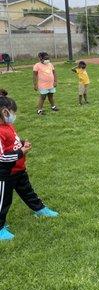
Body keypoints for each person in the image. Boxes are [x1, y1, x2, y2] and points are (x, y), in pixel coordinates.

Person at [0, 95, 59, 241]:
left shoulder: (8, 126)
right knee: (3, 201)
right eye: (13, 112)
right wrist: (21, 152)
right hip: (5, 174)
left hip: (19, 170)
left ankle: (39, 209)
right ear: (4, 112)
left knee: (28, 191)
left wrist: (22, 142)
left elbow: (14, 139)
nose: (15, 115)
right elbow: (1, 157)